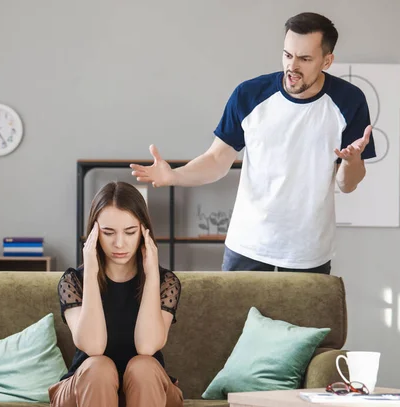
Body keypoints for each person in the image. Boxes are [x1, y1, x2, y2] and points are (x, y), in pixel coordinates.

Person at [130, 12, 376, 275]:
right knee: (234, 318)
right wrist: (174, 176)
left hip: (308, 254)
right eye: (287, 55)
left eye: (304, 59)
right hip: (247, 246)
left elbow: (346, 184)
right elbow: (217, 160)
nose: (292, 66)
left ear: (327, 61)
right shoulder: (249, 95)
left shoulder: (349, 101)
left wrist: (352, 161)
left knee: (301, 319)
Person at [48, 181, 184, 407]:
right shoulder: (73, 281)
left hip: (148, 389)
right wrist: (90, 272)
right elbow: (93, 347)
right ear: (94, 233)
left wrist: (151, 275)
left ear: (143, 231)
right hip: (86, 389)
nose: (119, 243)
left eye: (130, 232)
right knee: (99, 367)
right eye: (108, 232)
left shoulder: (165, 282)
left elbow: (147, 346)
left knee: (143, 366)